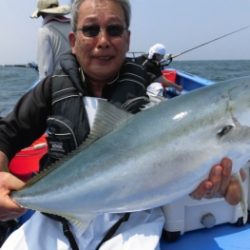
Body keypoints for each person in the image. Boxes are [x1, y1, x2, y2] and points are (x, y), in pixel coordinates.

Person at [0, 0, 244, 249]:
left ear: (127, 39)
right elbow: (5, 134)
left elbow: (199, 166)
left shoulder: (149, 93)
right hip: (56, 216)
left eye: (114, 30)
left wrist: (205, 179)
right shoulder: (52, 88)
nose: (103, 40)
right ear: (73, 41)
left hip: (131, 221)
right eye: (91, 30)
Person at [31, 0, 72, 79]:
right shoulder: (72, 26)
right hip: (78, 82)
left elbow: (46, 70)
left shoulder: (44, 31)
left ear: (41, 14)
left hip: (60, 85)